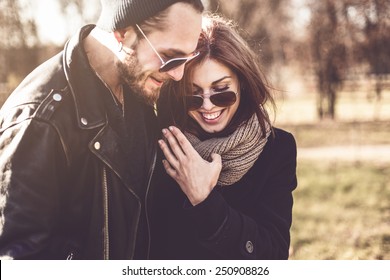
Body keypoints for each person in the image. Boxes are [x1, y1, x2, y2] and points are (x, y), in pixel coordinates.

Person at [0, 0, 203, 260]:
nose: (178, 74)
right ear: (122, 32)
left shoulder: (137, 90)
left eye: (188, 57)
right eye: (170, 57)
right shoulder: (38, 121)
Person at [150, 14, 298, 259]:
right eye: (193, 95)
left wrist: (205, 201)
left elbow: (273, 254)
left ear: (242, 82)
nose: (207, 106)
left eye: (221, 92)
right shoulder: (162, 145)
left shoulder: (277, 149)